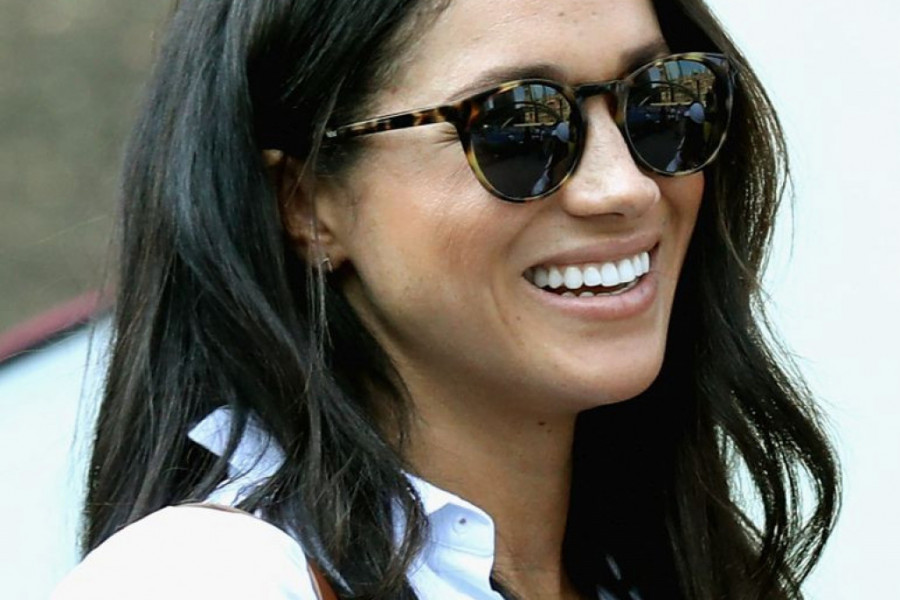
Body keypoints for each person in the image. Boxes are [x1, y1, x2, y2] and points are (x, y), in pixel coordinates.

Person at [52, 0, 840, 598]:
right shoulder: (209, 579)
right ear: (305, 204)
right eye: (518, 129)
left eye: (661, 102)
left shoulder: (661, 567)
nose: (624, 187)